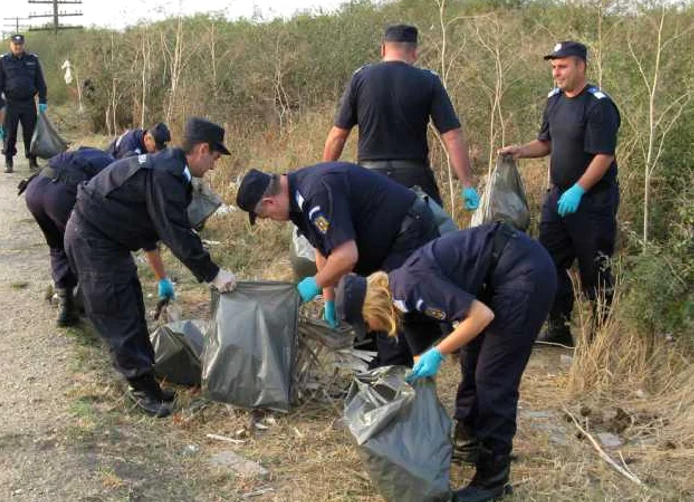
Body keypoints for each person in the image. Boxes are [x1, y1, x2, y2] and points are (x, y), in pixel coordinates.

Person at [336, 223, 557, 502]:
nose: (371, 330)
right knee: (471, 362)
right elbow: (418, 359)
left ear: (371, 309)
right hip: (496, 281)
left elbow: (480, 316)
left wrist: (438, 353)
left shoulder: (411, 286)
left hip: (525, 273)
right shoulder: (403, 303)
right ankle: (468, 441)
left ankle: (493, 478)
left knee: (493, 379)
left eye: (365, 323)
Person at [64, 117, 237, 417]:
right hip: (92, 238)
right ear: (202, 149)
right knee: (119, 309)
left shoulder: (169, 170)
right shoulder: (165, 175)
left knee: (130, 301)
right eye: (215, 158)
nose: (213, 166)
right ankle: (141, 389)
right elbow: (175, 233)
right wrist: (213, 274)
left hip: (108, 239)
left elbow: (172, 225)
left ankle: (147, 381)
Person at [235, 161, 442, 368]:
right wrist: (329, 300)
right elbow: (322, 249)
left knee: (386, 308)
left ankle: (396, 376)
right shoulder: (296, 199)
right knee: (364, 311)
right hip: (382, 245)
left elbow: (345, 256)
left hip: (407, 232)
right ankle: (377, 370)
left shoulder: (317, 192)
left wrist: (314, 283)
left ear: (270, 202)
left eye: (266, 216)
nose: (271, 219)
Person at [499, 41, 621, 347]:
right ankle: (559, 327)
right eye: (554, 67)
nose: (557, 73)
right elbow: (546, 143)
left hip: (592, 201)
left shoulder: (598, 105)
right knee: (548, 262)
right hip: (558, 198)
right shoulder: (554, 100)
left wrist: (580, 189)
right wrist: (520, 151)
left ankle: (600, 334)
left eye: (563, 66)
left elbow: (603, 155)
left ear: (581, 66)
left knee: (595, 267)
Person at [322, 23, 479, 210]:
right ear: (414, 53)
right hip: (415, 181)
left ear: (382, 49)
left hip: (369, 180)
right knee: (436, 237)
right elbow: (453, 136)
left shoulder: (360, 78)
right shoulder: (429, 80)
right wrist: (467, 185)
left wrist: (322, 177)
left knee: (366, 236)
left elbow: (338, 135)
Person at [22, 147, 115, 326]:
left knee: (57, 245)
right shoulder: (113, 166)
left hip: (34, 190)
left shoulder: (86, 154)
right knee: (88, 247)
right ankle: (99, 308)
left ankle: (66, 307)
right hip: (59, 196)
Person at [0, 34, 48, 173]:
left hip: (29, 103)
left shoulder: (32, 60)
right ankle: (8, 161)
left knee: (31, 133)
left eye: (20, 44)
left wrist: (42, 100)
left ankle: (32, 161)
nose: (18, 47)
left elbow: (40, 82)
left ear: (23, 45)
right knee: (9, 133)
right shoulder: (3, 61)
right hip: (10, 103)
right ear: (10, 45)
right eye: (15, 44)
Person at [106, 122, 171, 158]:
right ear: (147, 139)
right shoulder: (131, 147)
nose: (157, 152)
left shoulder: (143, 136)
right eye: (156, 148)